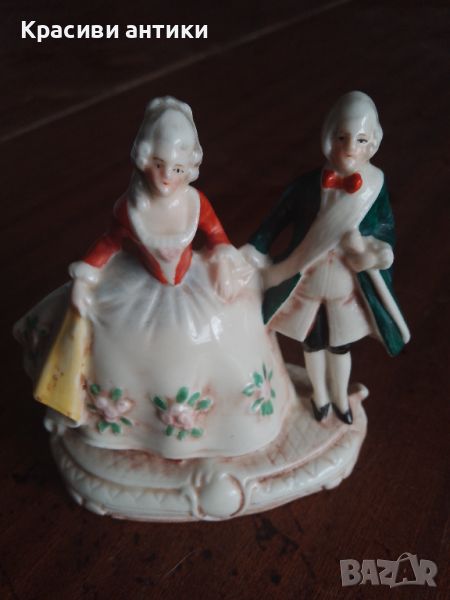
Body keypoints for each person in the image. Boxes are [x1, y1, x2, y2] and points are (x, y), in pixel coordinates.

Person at [16, 97, 296, 459]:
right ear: (144, 158)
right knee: (108, 335)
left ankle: (225, 423)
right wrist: (87, 273)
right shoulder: (130, 207)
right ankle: (108, 418)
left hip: (194, 284)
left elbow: (216, 236)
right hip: (138, 288)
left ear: (190, 167)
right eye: (160, 165)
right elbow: (110, 242)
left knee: (225, 329)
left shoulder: (195, 202)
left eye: (177, 169)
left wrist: (224, 257)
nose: (167, 176)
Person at [245, 91, 410, 424]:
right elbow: (275, 221)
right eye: (342, 137)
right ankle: (319, 396)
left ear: (373, 144)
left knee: (340, 347)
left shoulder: (375, 186)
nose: (350, 148)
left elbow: (385, 228)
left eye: (360, 140)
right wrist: (254, 250)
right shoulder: (306, 186)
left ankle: (340, 396)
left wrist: (373, 249)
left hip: (345, 288)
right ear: (328, 137)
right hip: (306, 283)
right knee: (312, 343)